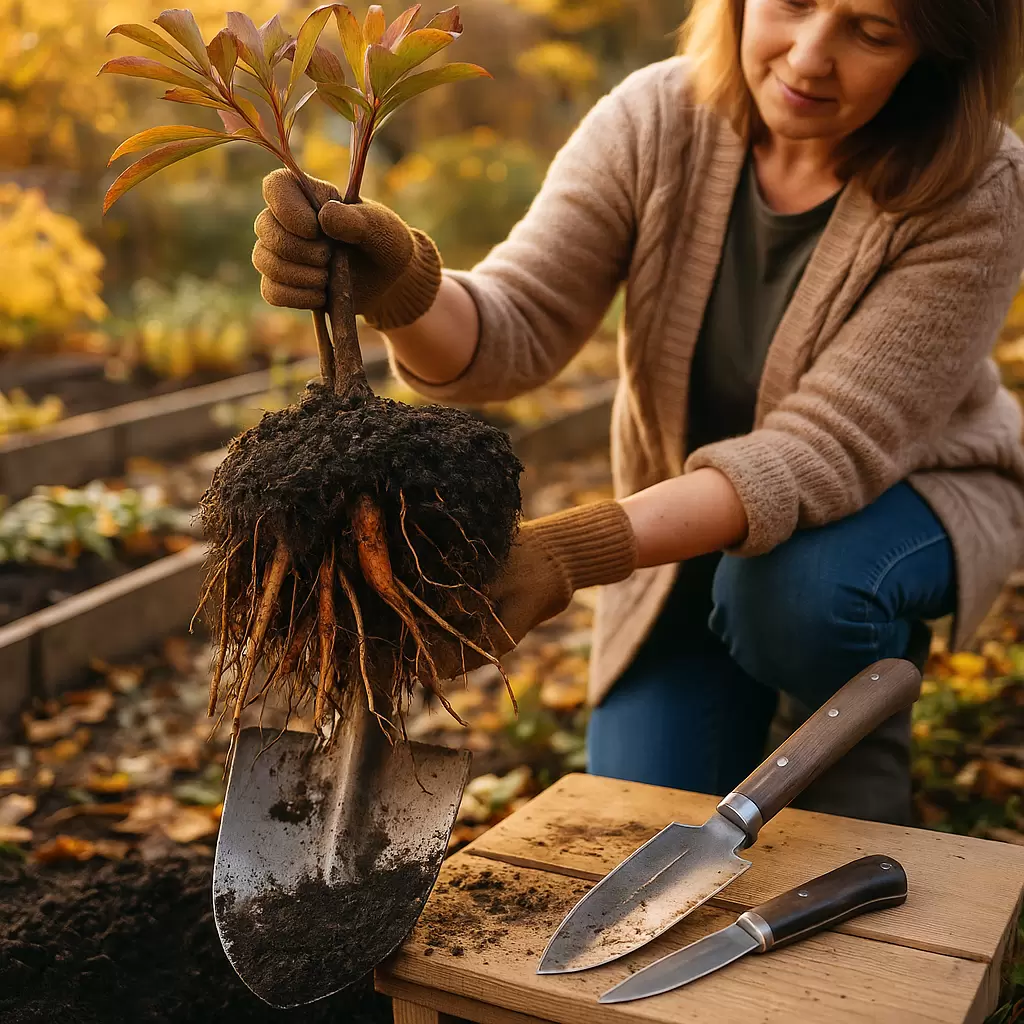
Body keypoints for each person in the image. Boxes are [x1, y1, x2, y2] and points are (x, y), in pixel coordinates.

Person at [250, 0, 1024, 825]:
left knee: (792, 595)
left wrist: (572, 551)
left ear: (937, 55)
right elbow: (518, 323)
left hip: (902, 500)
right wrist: (399, 286)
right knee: (638, 824)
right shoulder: (656, 117)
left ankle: (849, 719)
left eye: (871, 32)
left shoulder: (982, 186)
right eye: (793, 4)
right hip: (680, 541)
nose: (808, 57)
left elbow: (820, 450)